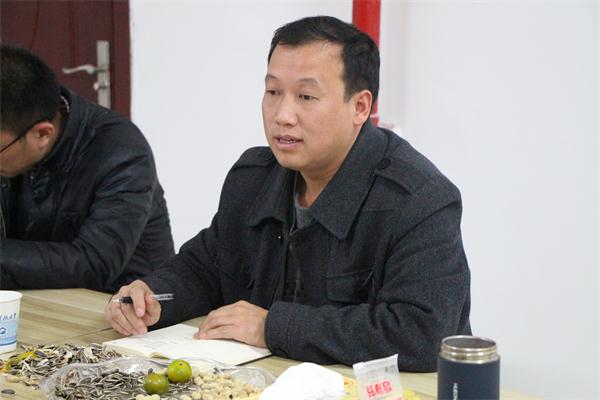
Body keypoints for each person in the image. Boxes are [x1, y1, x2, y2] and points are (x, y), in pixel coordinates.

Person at [105, 16, 471, 371]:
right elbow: (206, 268)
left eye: (306, 96)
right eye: (273, 92)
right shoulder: (252, 177)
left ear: (360, 107)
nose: (283, 115)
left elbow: (423, 333)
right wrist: (153, 296)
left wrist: (272, 327)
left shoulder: (418, 199)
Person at [0, 45, 174, 292]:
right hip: (38, 297)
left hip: (121, 305)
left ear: (43, 134)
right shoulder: (12, 142)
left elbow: (93, 265)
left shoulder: (123, 153)